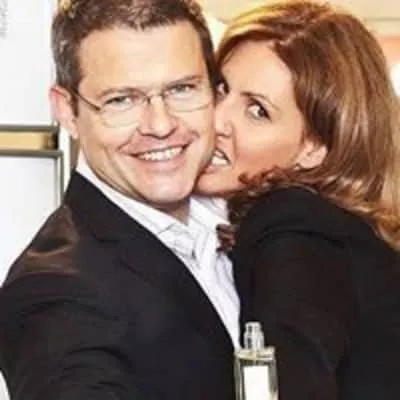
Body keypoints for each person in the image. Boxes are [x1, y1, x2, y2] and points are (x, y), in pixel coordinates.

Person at [0, 0, 239, 399]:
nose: (160, 125)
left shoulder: (240, 228)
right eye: (121, 100)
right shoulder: (53, 293)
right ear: (68, 112)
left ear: (214, 93)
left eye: (181, 89)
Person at [197, 1, 400, 399]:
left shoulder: (294, 227)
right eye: (220, 89)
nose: (217, 121)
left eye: (257, 111)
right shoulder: (341, 230)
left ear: (314, 148)